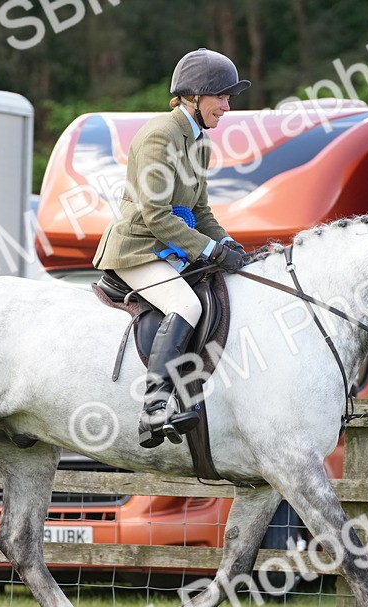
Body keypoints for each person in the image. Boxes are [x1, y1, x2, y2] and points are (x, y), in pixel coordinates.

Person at [93, 48, 249, 448]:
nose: (227, 107)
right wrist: (209, 251)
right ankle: (154, 408)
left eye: (228, 98)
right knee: (187, 305)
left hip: (170, 248)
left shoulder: (199, 143)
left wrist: (228, 243)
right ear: (194, 96)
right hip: (138, 249)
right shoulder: (160, 135)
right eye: (221, 97)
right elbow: (156, 216)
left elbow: (200, 210)